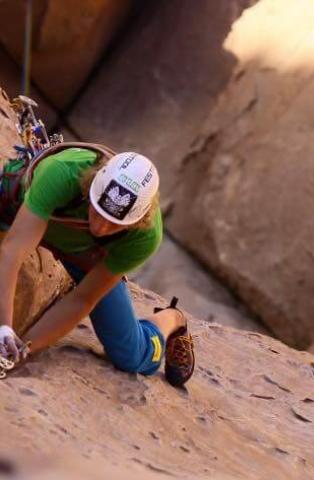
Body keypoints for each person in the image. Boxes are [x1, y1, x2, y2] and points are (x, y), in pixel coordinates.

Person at [0, 143, 194, 386]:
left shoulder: (145, 237)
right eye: (97, 211)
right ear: (91, 187)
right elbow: (12, 251)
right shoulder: (62, 172)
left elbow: (83, 299)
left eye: (114, 224)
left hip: (87, 257)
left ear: (137, 221)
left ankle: (172, 319)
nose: (101, 227)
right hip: (31, 215)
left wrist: (21, 350)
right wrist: (4, 329)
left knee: (130, 356)